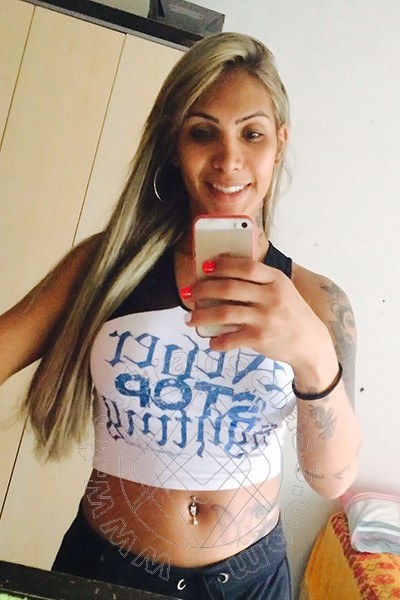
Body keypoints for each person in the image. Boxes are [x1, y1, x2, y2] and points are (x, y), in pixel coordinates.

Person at [0, 32, 361, 600]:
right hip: (107, 566)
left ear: (279, 143)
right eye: (202, 133)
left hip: (248, 583)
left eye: (252, 134)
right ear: (174, 146)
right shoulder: (104, 268)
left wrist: (313, 356)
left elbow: (330, 479)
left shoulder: (317, 300)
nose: (228, 160)